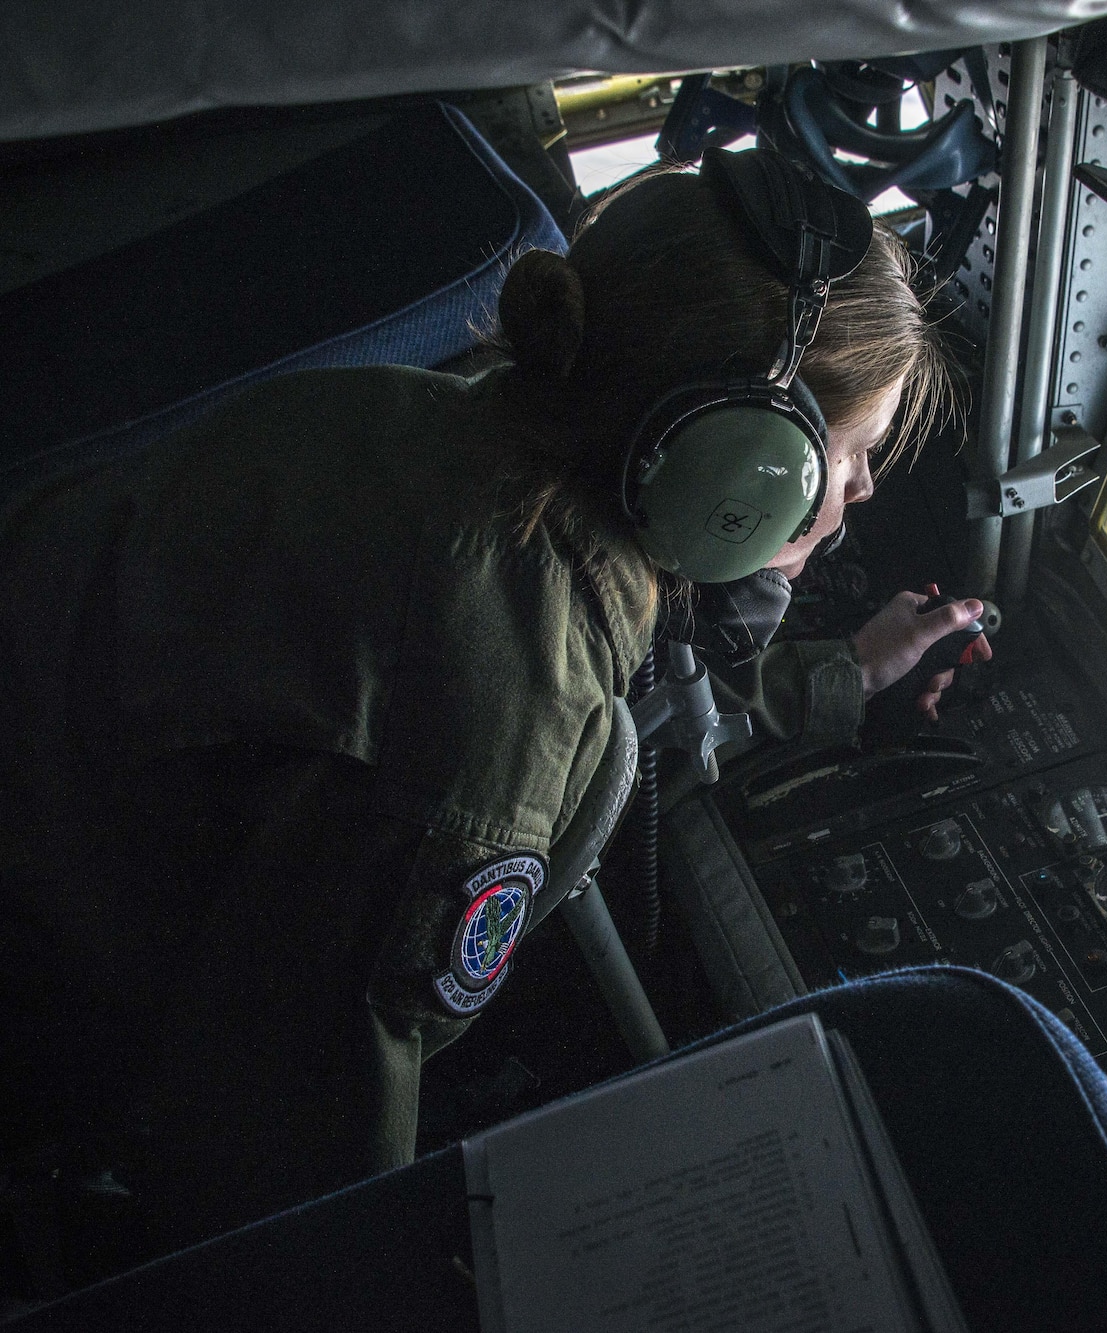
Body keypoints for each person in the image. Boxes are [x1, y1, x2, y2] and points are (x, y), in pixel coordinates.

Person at [0, 152, 981, 1282]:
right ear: (742, 460)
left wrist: (837, 680)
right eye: (848, 454)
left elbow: (595, 665)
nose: (856, 495)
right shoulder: (476, 729)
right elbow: (279, 1164)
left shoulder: (444, 427)